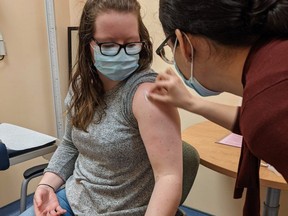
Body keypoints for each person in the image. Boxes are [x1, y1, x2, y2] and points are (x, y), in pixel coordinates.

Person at [20, 0, 184, 215]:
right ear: (88, 44)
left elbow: (168, 178)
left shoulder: (146, 95)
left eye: (131, 43)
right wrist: (47, 185)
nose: (121, 53)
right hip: (71, 199)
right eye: (108, 45)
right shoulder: (81, 86)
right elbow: (70, 144)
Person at [147, 0, 288, 215]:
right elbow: (255, 115)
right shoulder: (273, 61)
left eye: (168, 49)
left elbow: (265, 120)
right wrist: (192, 103)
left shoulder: (269, 112)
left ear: (184, 43)